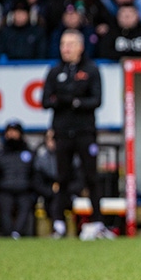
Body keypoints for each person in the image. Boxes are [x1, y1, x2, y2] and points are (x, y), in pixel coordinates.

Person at [41, 29, 112, 241]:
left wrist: (72, 101)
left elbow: (96, 100)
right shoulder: (54, 71)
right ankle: (59, 224)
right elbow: (46, 101)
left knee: (91, 177)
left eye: (70, 44)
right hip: (62, 132)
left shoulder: (91, 69)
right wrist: (68, 100)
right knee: (62, 178)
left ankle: (98, 222)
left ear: (80, 47)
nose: (66, 48)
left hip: (85, 132)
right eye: (63, 44)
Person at [32, 128, 84, 238]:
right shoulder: (41, 159)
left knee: (59, 197)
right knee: (55, 198)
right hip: (48, 195)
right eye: (49, 139)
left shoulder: (72, 159)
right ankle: (58, 226)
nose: (52, 142)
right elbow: (37, 182)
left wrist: (64, 189)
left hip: (69, 194)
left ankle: (58, 227)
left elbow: (79, 181)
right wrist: (50, 190)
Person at [0, 120, 35, 239]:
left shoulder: (28, 153)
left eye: (15, 132)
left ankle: (17, 233)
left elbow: (34, 174)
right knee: (5, 208)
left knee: (25, 206)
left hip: (24, 189)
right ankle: (8, 232)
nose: (12, 135)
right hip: (5, 189)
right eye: (10, 132)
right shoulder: (2, 154)